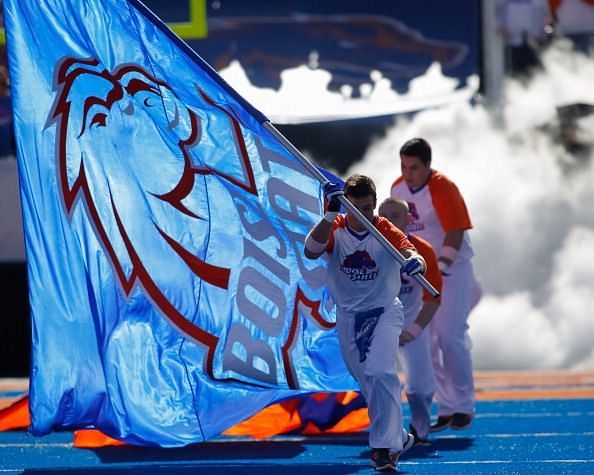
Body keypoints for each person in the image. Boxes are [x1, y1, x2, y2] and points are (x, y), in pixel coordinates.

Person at [304, 174, 425, 472]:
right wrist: (330, 213)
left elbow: (409, 249)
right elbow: (311, 250)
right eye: (355, 208)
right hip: (348, 319)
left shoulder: (383, 228)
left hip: (384, 311)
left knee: (381, 371)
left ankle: (382, 450)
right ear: (346, 206)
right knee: (369, 383)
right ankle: (399, 438)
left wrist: (415, 260)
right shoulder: (335, 228)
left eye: (368, 208)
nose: (363, 215)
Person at [390, 138, 477, 432]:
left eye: (414, 167)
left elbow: (455, 233)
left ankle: (464, 405)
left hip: (451, 270)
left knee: (450, 335)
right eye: (404, 166)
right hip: (418, 275)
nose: (408, 172)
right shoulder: (397, 189)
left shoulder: (443, 187)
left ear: (427, 165)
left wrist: (440, 267)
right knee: (426, 342)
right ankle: (447, 406)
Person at [378, 197, 442, 447]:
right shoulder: (369, 246)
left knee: (422, 384)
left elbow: (435, 296)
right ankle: (387, 434)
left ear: (409, 219)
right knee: (379, 378)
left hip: (411, 322)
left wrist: (414, 330)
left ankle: (420, 429)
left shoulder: (423, 250)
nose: (389, 221)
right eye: (384, 215)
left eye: (396, 215)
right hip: (379, 320)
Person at [496, 0, 553, 77]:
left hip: (533, 43)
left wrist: (541, 35)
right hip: (512, 42)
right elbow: (497, 11)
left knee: (536, 74)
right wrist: (499, 27)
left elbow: (545, 15)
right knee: (514, 74)